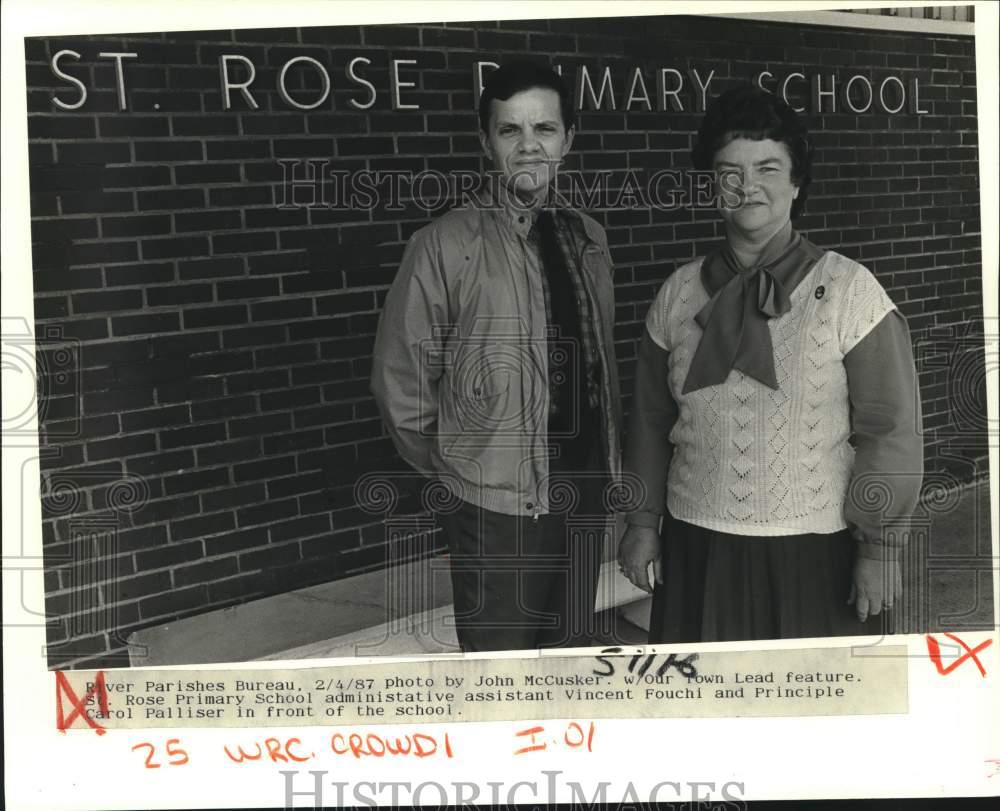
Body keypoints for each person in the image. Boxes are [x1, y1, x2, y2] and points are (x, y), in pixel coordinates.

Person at [618, 85, 923, 642]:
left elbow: (891, 431)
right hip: (696, 542)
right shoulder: (677, 294)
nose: (747, 186)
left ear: (796, 181)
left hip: (815, 549)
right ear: (712, 185)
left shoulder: (851, 291)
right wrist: (642, 522)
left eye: (767, 168)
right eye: (729, 171)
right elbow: (648, 423)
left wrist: (879, 548)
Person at [371, 61, 622, 652]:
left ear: (569, 139)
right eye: (511, 130)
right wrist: (461, 467)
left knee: (568, 659)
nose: (529, 145)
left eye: (545, 129)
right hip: (496, 504)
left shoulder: (588, 235)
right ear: (487, 141)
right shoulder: (444, 244)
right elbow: (400, 382)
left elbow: (597, 364)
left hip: (581, 487)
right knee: (500, 676)